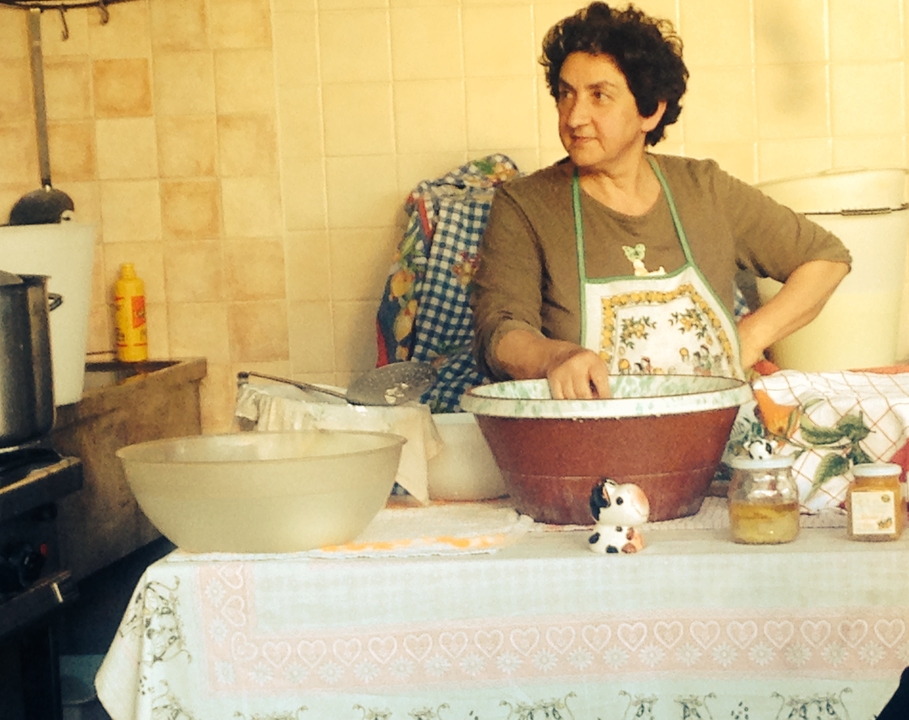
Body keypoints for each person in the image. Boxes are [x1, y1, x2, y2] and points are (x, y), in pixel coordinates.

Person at [471, 2, 851, 400]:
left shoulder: (704, 189)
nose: (574, 116)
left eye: (599, 95)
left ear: (650, 111)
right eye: (567, 94)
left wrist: (752, 336)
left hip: (715, 423)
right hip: (595, 430)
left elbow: (825, 258)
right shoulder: (525, 205)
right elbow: (499, 330)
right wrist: (555, 358)